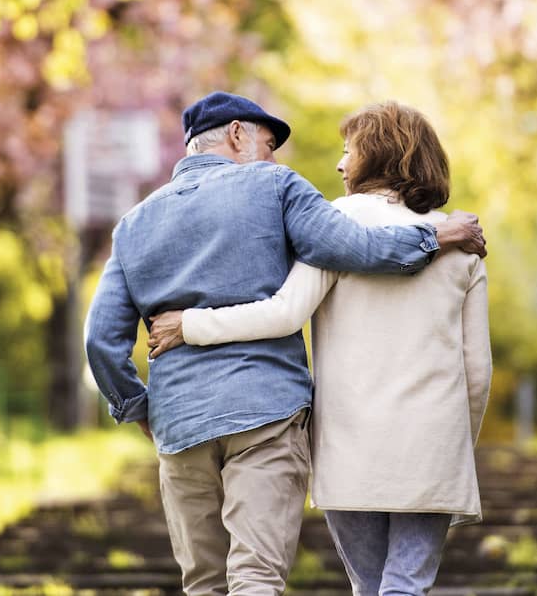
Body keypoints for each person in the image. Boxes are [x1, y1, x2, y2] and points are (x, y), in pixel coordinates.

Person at [83, 91, 487, 596]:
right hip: (265, 416)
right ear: (237, 135)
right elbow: (354, 248)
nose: (275, 158)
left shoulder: (132, 225)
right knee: (256, 578)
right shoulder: (274, 187)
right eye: (270, 144)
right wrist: (436, 237)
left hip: (180, 422)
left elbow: (100, 340)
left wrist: (139, 408)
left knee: (204, 582)